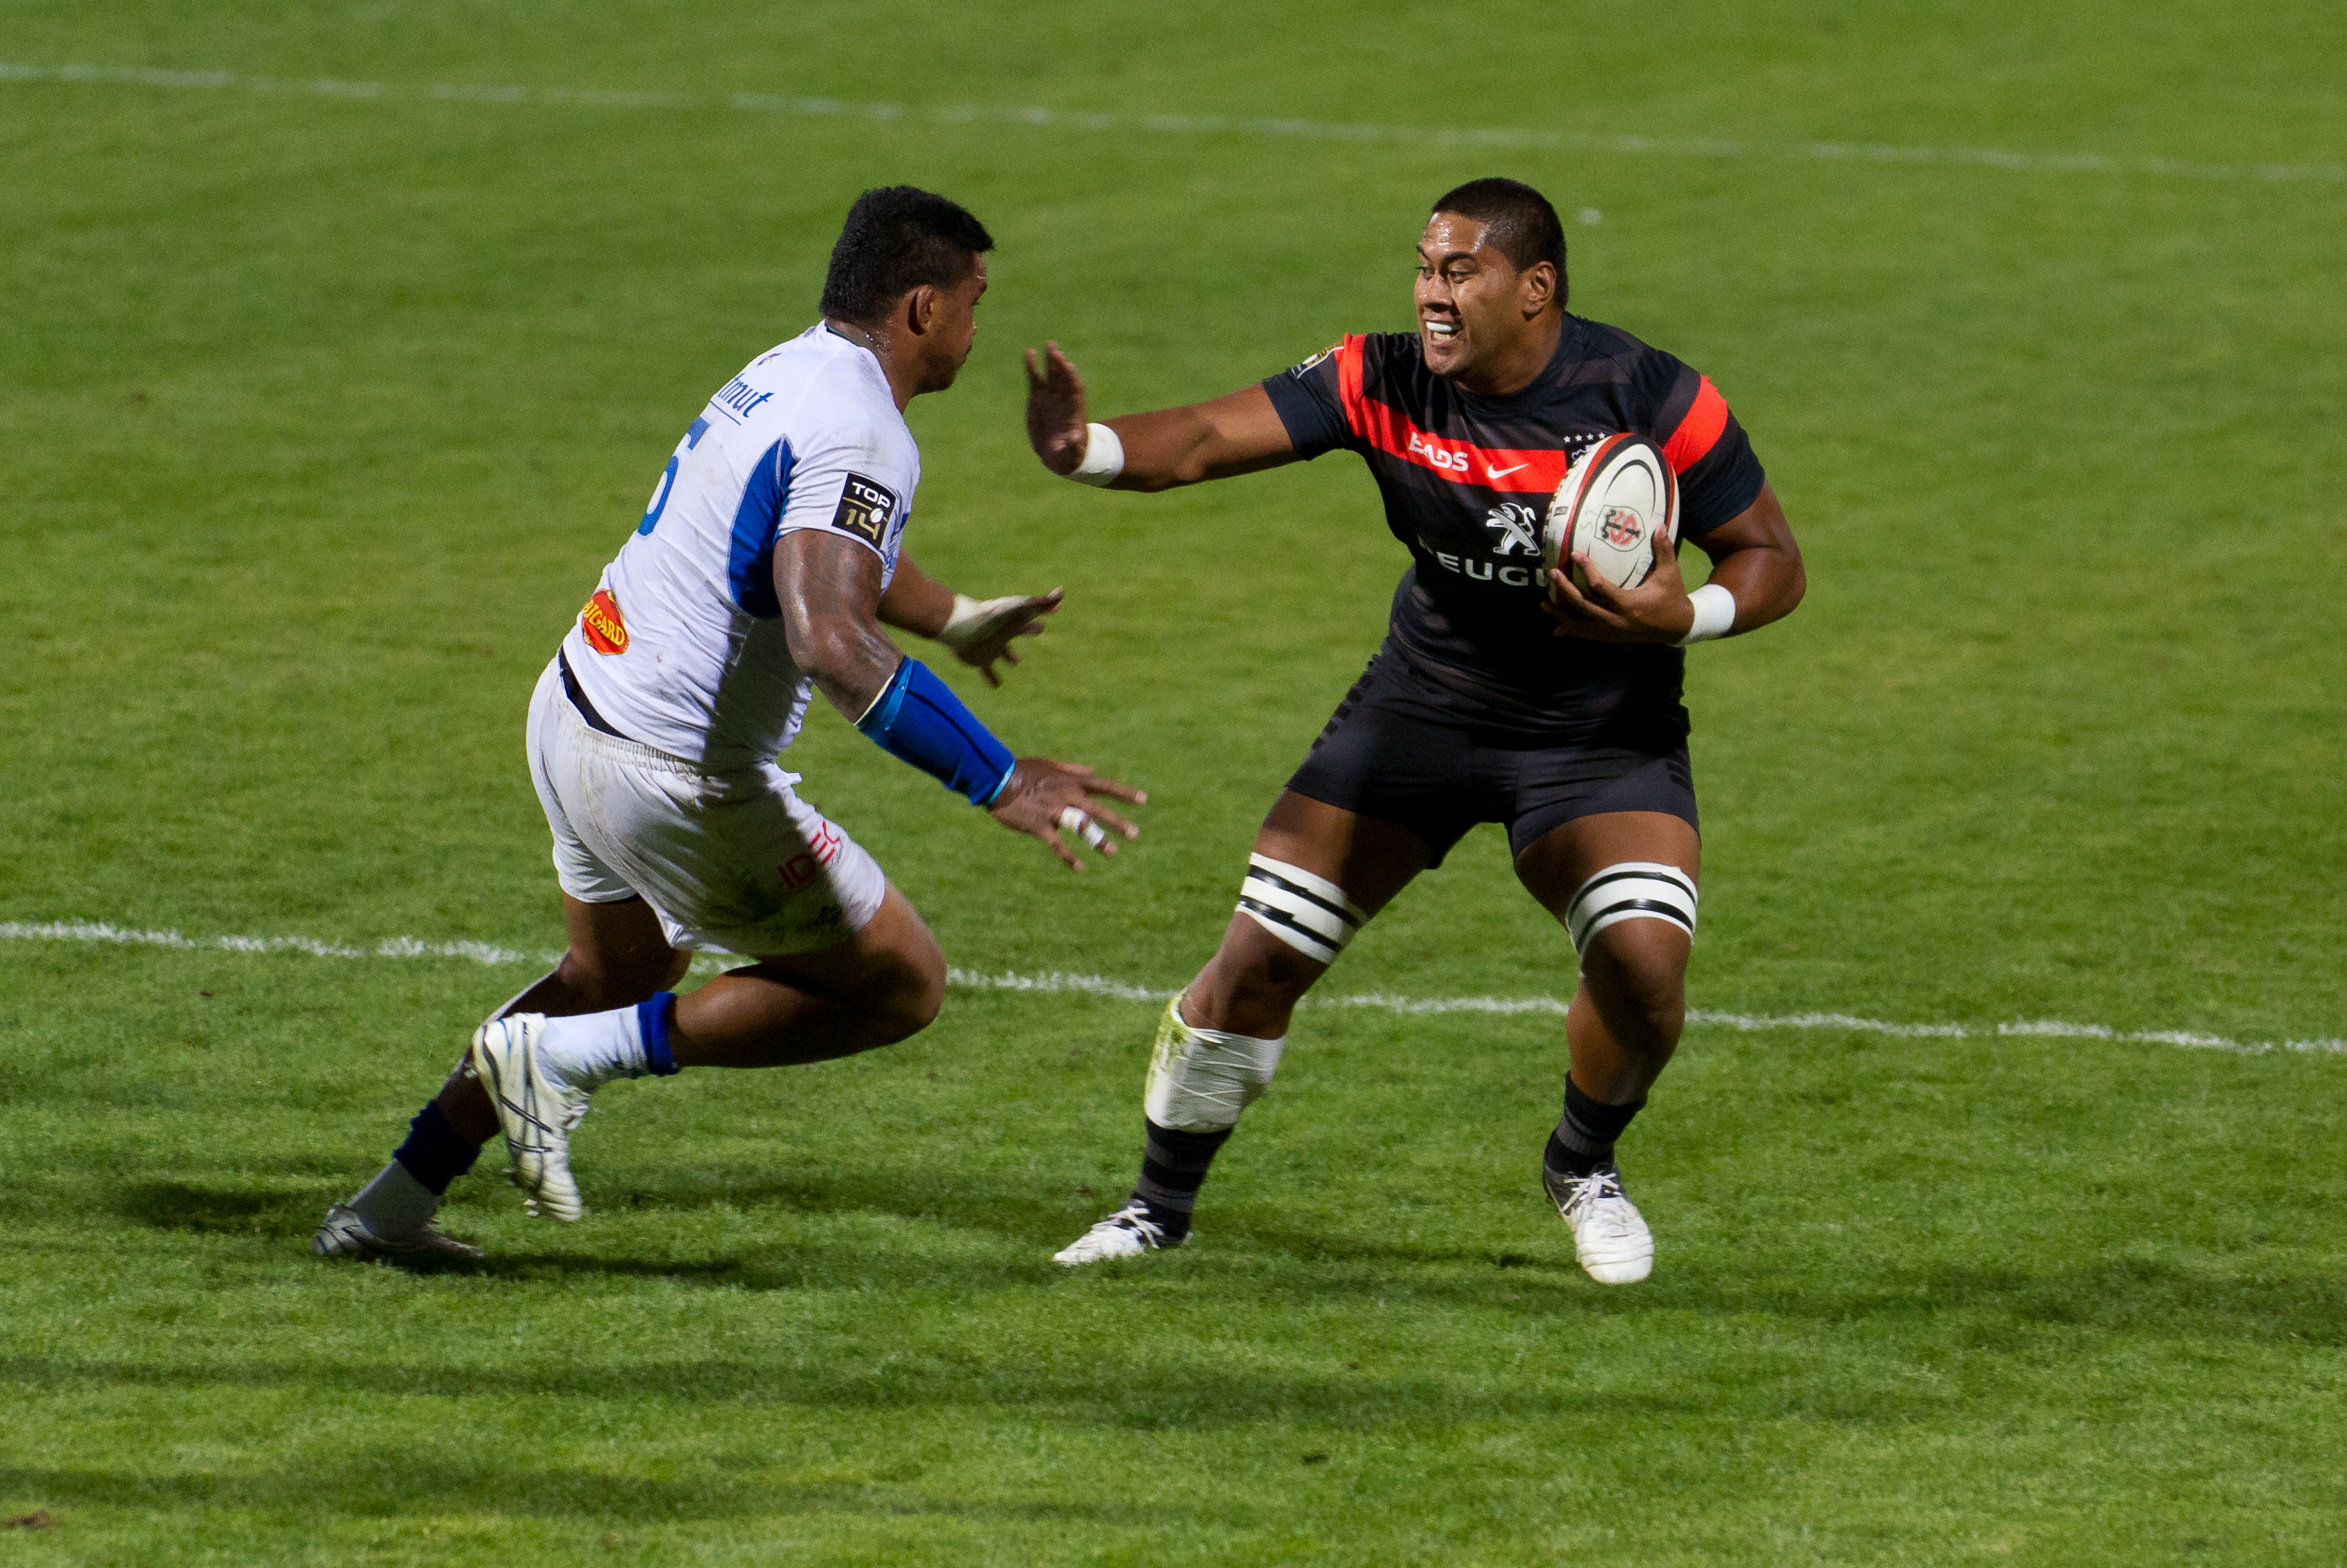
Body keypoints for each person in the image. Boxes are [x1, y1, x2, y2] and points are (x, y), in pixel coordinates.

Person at [315, 186, 1143, 1260]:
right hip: (670, 772)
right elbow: (831, 640)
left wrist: (956, 617)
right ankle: (554, 1064)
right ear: (925, 307)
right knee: (900, 983)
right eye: (977, 305)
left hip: (573, 712)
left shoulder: (787, 371)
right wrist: (1002, 778)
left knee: (606, 982)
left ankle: (385, 1210)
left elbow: (802, 548)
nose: (978, 332)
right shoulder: (862, 428)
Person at [1033, 179, 1802, 1284]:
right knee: (1254, 964)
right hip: (1420, 710)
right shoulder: (1379, 375)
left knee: (1643, 970)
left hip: (1595, 733)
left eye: (1459, 273)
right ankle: (1156, 1207)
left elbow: (1772, 558)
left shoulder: (1650, 393)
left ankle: (1581, 1166)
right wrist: (1084, 447)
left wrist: (1684, 614)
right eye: (1424, 270)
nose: (1430, 298)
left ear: (1534, 289)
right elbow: (1202, 437)